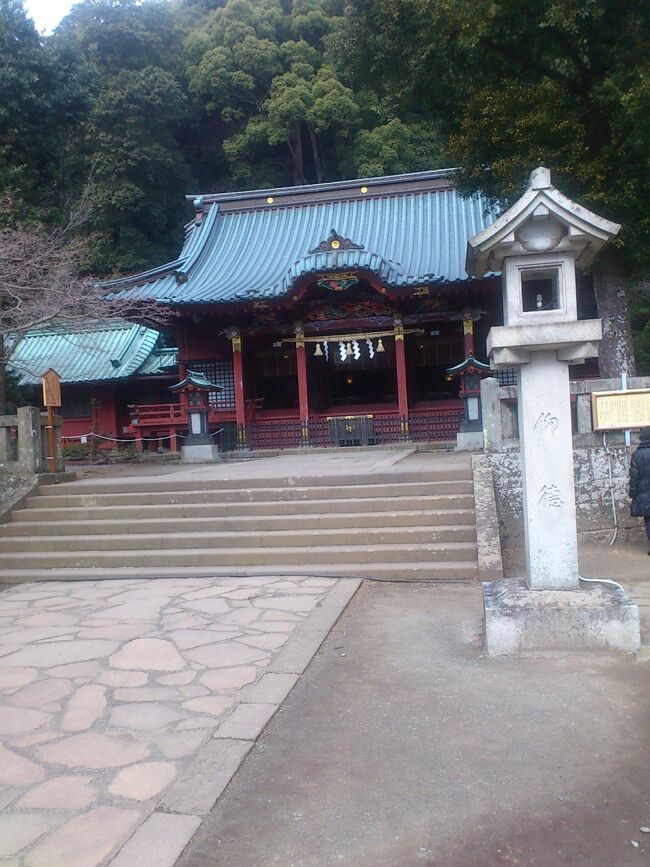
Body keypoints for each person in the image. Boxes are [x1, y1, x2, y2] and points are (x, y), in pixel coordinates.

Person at [629, 427, 650, 554]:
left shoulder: (637, 455)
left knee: (649, 520)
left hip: (644, 494)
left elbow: (634, 478)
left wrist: (633, 493)